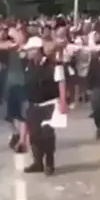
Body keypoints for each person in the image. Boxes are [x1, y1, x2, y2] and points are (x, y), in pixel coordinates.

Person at [23, 36, 67, 176]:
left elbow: (61, 82)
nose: (28, 53)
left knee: (47, 135)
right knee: (34, 135)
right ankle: (38, 162)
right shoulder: (28, 65)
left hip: (50, 104)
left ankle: (49, 162)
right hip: (33, 104)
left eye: (31, 50)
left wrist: (63, 102)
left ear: (37, 50)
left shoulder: (53, 65)